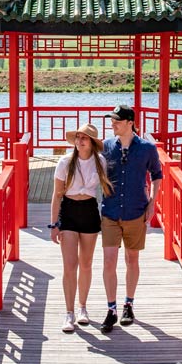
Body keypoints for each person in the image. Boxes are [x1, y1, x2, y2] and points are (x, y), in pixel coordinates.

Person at [99, 104, 162, 333]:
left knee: (131, 259)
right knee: (109, 261)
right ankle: (111, 308)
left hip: (136, 211)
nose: (112, 124)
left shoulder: (147, 148)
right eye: (112, 120)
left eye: (116, 120)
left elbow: (157, 175)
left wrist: (152, 202)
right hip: (110, 212)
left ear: (129, 123)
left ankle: (129, 304)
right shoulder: (106, 146)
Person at [49, 122, 112, 333]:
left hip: (89, 211)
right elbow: (56, 195)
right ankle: (69, 313)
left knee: (86, 264)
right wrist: (53, 223)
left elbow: (106, 191)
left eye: (84, 138)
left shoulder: (100, 161)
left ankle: (83, 308)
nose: (79, 141)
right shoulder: (65, 162)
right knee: (70, 265)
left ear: (92, 143)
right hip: (68, 211)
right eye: (77, 137)